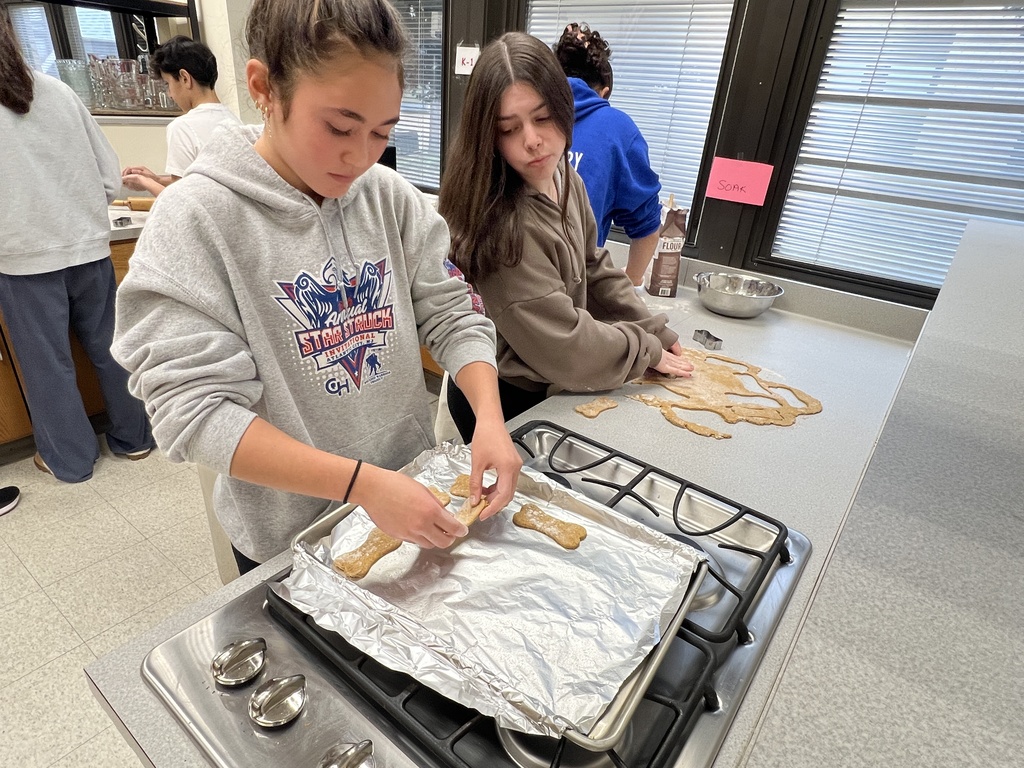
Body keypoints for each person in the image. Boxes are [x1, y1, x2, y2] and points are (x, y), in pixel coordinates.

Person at [111, 0, 521, 575]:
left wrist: (490, 419)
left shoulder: (388, 197)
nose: (360, 155)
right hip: (289, 536)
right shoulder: (195, 220)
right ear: (264, 88)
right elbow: (195, 413)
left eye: (381, 132)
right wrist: (361, 485)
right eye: (339, 127)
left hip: (409, 494)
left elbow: (452, 311)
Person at [438, 32, 693, 443]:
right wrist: (644, 348)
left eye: (542, 118)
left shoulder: (563, 175)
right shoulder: (502, 228)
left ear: (565, 107)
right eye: (509, 129)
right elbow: (566, 344)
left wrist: (653, 327)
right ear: (488, 137)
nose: (532, 140)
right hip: (509, 399)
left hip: (549, 379)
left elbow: (593, 266)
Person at [0, 10, 154, 483]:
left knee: (48, 365)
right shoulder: (59, 91)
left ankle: (70, 459)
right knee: (111, 347)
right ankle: (135, 439)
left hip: (23, 258)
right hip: (89, 248)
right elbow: (108, 175)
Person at [553, 23, 663, 287]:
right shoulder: (617, 129)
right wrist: (632, 279)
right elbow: (647, 226)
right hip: (571, 290)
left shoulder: (519, 115)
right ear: (604, 93)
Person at [121, 36, 241, 196]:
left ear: (185, 78)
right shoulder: (233, 120)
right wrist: (157, 179)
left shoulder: (182, 127)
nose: (169, 94)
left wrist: (145, 182)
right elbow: (203, 183)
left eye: (168, 84)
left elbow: (182, 200)